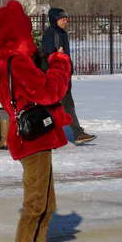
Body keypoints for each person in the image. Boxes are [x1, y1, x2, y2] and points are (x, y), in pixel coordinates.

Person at [0, 0, 72, 242]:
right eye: (25, 28)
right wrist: (60, 63)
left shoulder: (6, 63)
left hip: (32, 138)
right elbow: (49, 92)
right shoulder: (17, 62)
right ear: (14, 31)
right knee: (36, 206)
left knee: (46, 206)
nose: (30, 33)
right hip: (34, 140)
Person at [42, 8, 97, 145]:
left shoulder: (61, 33)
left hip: (63, 76)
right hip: (55, 77)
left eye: (66, 19)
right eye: (62, 19)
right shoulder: (51, 33)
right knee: (61, 106)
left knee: (63, 106)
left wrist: (68, 68)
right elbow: (48, 54)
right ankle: (76, 134)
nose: (65, 21)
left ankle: (71, 134)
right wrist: (58, 55)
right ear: (55, 19)